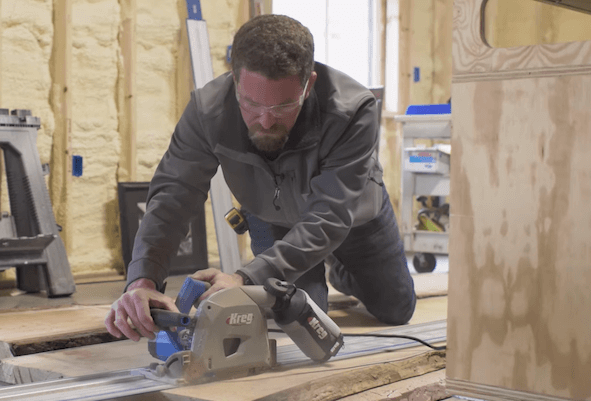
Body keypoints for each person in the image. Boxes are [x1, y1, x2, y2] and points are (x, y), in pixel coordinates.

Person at [105, 14, 415, 342]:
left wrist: (244, 277)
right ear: (235, 80)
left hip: (351, 218)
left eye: (283, 106)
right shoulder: (206, 111)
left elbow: (331, 216)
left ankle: (340, 267)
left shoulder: (353, 110)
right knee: (298, 322)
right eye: (251, 104)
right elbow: (173, 198)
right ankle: (312, 268)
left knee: (395, 309)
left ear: (308, 84)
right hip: (274, 218)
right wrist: (143, 281)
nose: (265, 122)